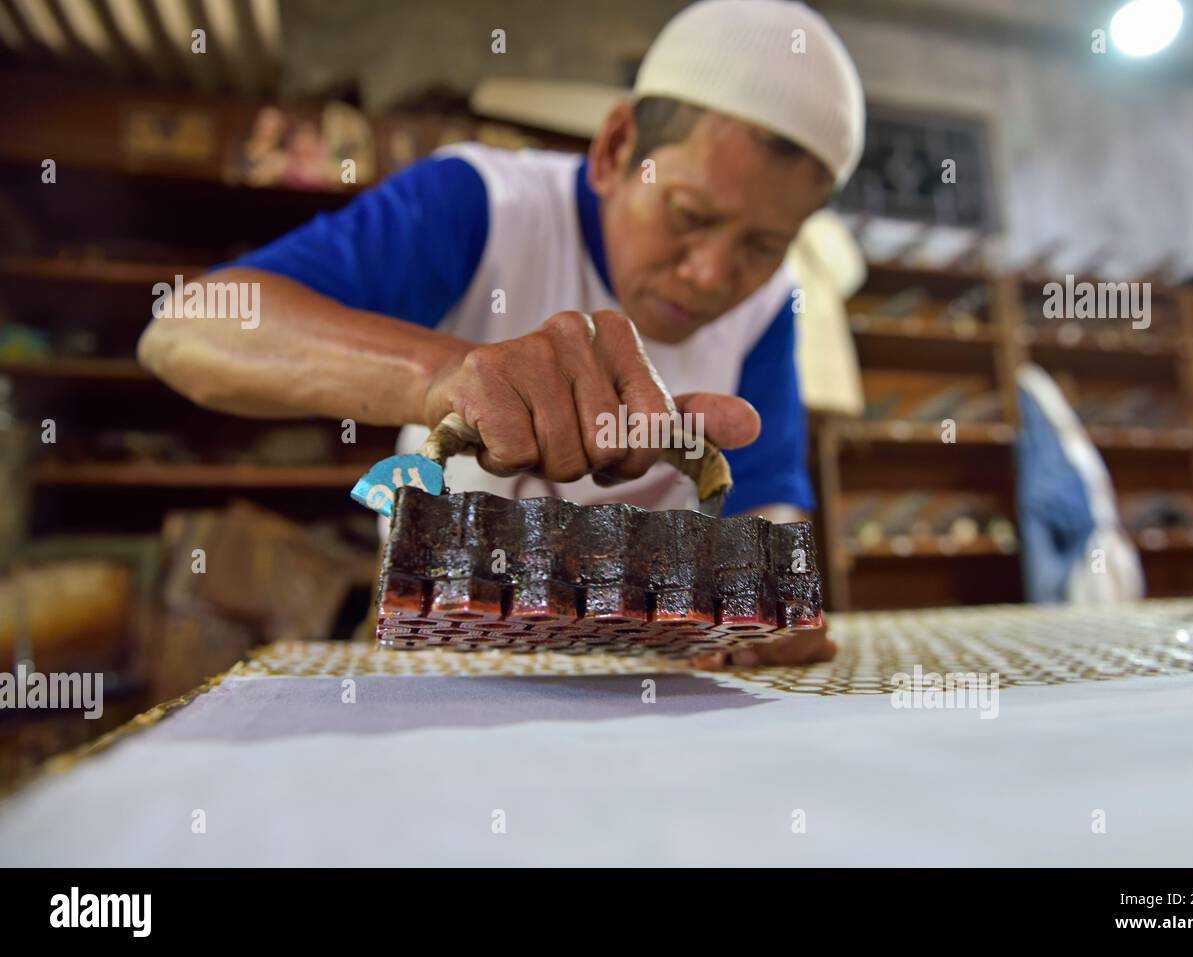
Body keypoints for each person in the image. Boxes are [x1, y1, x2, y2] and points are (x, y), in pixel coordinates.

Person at [138, 0, 865, 667]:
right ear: (615, 149)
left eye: (764, 244)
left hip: (656, 665)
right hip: (456, 651)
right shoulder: (483, 205)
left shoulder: (772, 299)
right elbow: (186, 327)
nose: (713, 274)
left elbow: (765, 493)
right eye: (690, 215)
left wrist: (770, 602)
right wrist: (444, 376)